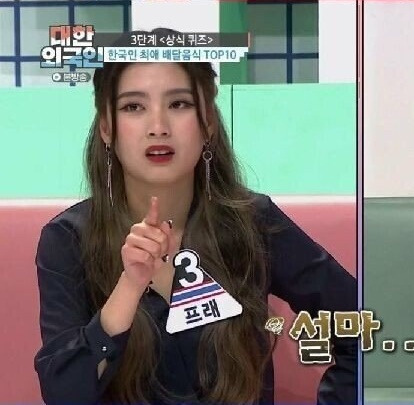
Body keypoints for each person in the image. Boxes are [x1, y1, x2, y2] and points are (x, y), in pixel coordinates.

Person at [34, 29, 357, 405]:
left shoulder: (253, 222)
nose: (158, 126)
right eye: (133, 107)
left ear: (208, 124)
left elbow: (360, 324)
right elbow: (64, 395)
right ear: (107, 128)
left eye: (179, 104)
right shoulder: (68, 239)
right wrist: (130, 285)